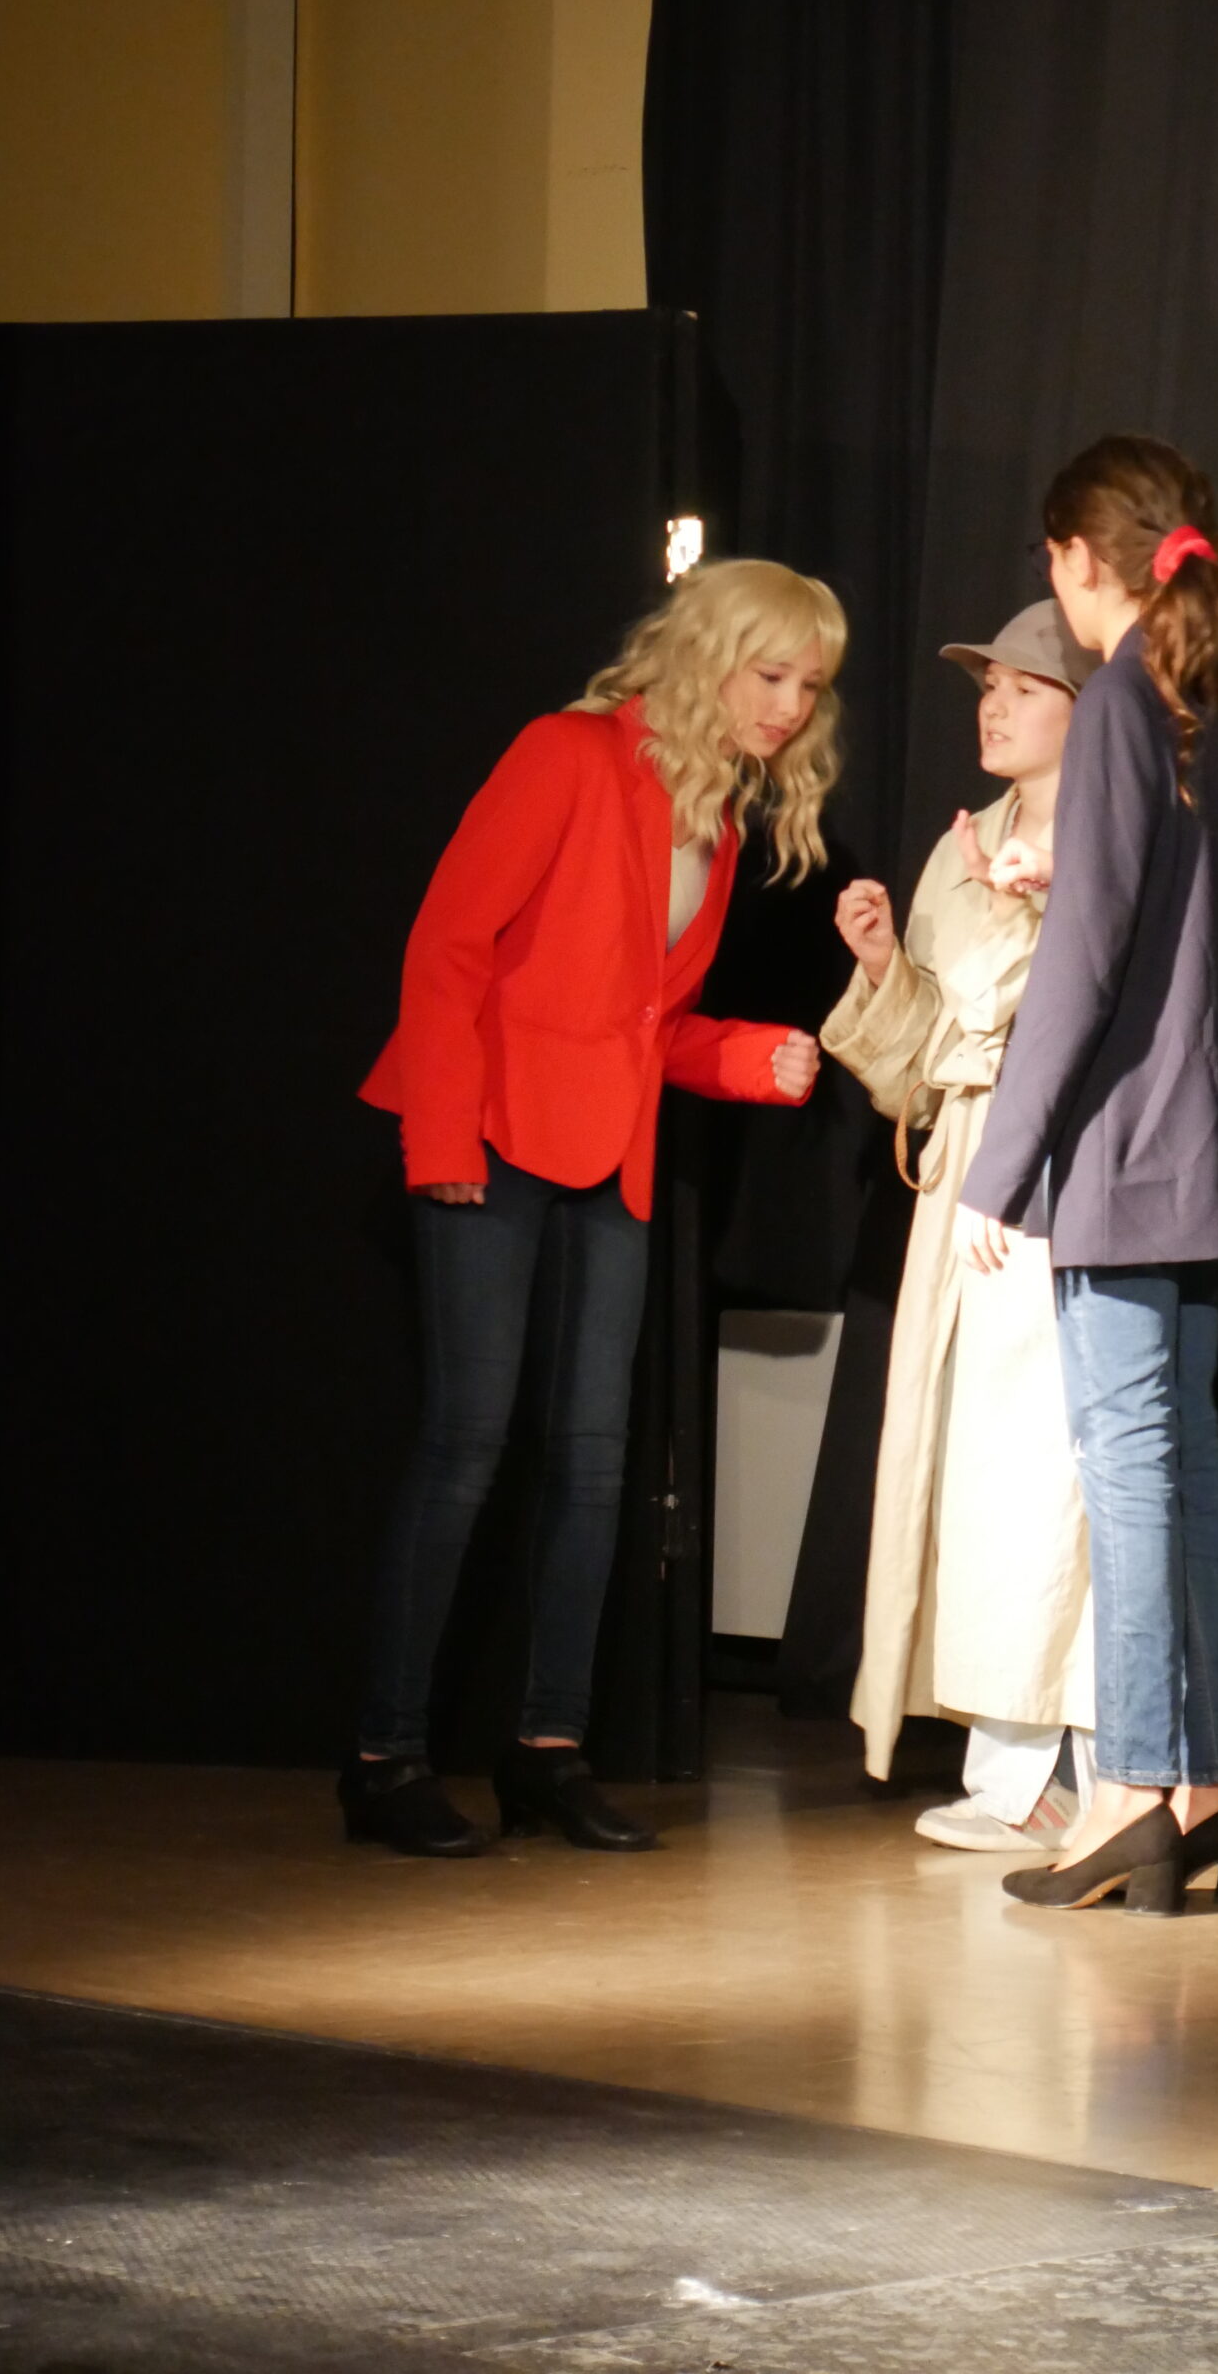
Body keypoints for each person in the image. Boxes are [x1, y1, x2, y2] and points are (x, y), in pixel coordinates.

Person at [344, 559, 845, 1858]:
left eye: (809, 686)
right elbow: (448, 947)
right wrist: (440, 1137)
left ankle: (546, 1751)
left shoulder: (718, 820)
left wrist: (751, 1059)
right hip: (491, 1136)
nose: (790, 707)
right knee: (467, 1441)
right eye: (771, 674)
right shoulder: (566, 754)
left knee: (593, 1457)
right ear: (708, 654)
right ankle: (385, 1756)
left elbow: (644, 1026)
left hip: (606, 1154)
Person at [956, 435, 1218, 1915]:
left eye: (1052, 555)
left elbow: (1086, 965)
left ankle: (1135, 1790)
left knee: (1132, 1467)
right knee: (1187, 1460)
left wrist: (999, 1165)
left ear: (1078, 557)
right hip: (1207, 1152)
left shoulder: (1117, 708)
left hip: (1121, 1151)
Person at [824, 600, 1100, 1851]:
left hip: (1055, 1174)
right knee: (968, 1465)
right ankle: (1008, 1765)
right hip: (961, 1176)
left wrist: (1040, 904)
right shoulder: (960, 845)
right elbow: (923, 1063)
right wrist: (888, 968)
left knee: (1043, 1464)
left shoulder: (1115, 838)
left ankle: (1058, 1771)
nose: (994, 707)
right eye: (988, 688)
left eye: (1025, 689)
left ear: (1084, 710)